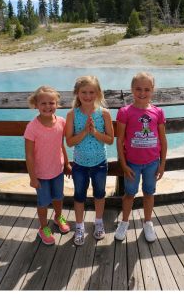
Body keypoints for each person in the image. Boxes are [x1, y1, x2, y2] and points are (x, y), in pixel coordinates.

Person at [114, 72, 167, 243]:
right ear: (132, 89)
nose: (142, 93)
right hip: (132, 164)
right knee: (129, 193)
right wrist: (123, 164)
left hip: (152, 163)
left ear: (153, 90)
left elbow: (163, 139)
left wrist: (162, 164)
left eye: (146, 89)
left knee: (149, 193)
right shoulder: (124, 112)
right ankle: (124, 222)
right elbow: (120, 140)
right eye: (138, 89)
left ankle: (148, 222)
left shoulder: (158, 112)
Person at [64, 76, 114, 246]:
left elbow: (110, 139)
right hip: (79, 164)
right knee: (79, 196)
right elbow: (69, 142)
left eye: (92, 92)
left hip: (100, 163)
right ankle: (79, 226)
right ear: (77, 93)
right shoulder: (72, 115)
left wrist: (94, 133)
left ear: (98, 93)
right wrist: (85, 131)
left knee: (99, 194)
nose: (87, 95)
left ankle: (98, 222)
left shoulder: (104, 113)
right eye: (84, 92)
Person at [24, 86, 70, 245]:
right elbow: (29, 155)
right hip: (41, 174)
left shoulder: (62, 122)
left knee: (58, 197)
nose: (48, 106)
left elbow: (61, 145)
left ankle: (58, 217)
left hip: (57, 170)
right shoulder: (32, 127)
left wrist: (67, 163)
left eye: (52, 103)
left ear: (57, 104)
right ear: (35, 105)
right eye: (43, 103)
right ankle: (43, 227)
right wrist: (32, 177)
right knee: (43, 202)